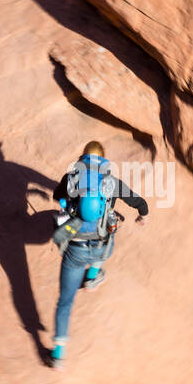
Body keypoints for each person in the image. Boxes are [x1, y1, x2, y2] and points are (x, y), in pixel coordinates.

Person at [48, 140, 148, 368]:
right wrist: (143, 215)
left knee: (65, 302)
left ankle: (57, 354)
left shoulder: (72, 177)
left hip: (75, 250)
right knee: (111, 232)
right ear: (103, 160)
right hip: (102, 245)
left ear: (83, 158)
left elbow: (56, 195)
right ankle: (93, 277)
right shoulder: (111, 183)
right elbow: (139, 202)